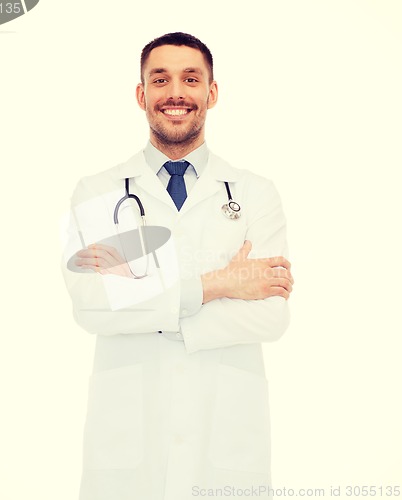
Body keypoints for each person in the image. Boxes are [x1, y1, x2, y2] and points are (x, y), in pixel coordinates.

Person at [62, 32, 294, 500]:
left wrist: (147, 305)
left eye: (191, 79)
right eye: (160, 78)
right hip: (129, 440)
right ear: (140, 94)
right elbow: (92, 306)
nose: (175, 93)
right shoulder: (99, 191)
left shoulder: (254, 193)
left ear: (211, 92)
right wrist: (221, 284)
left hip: (225, 435)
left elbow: (271, 315)